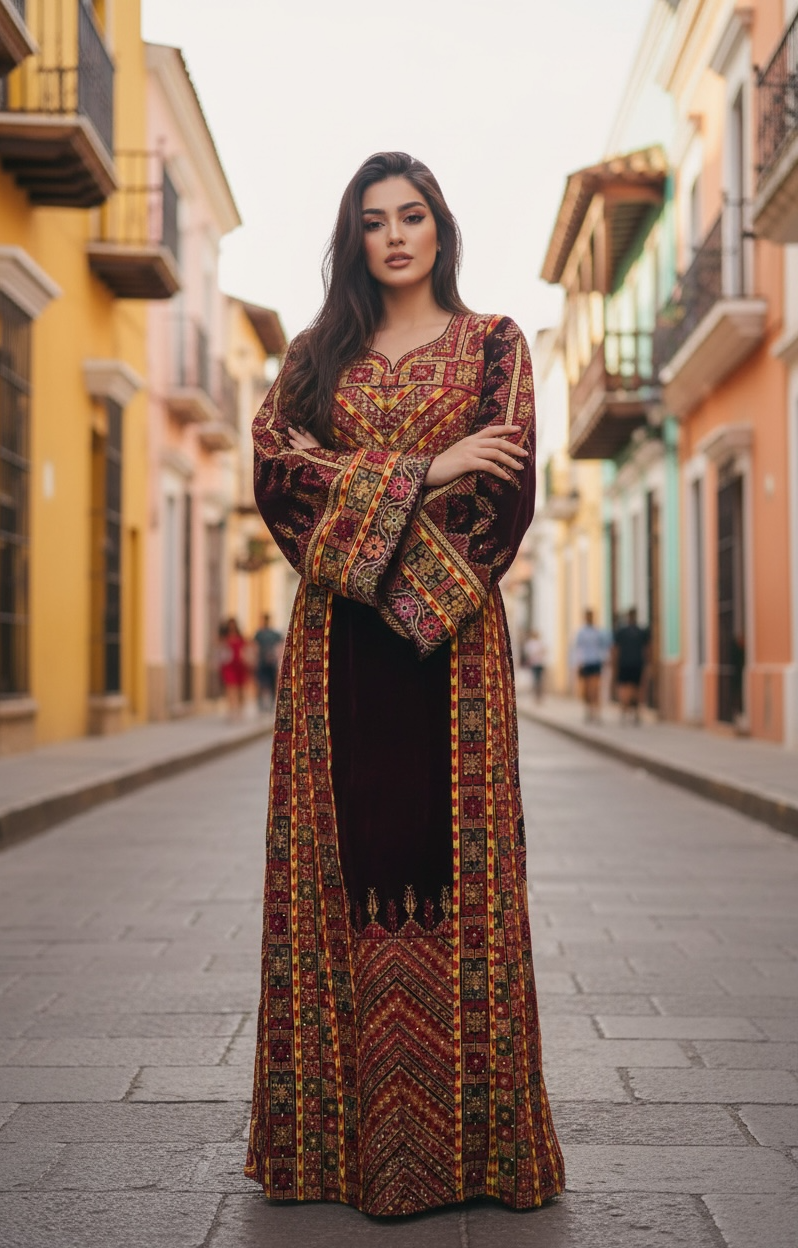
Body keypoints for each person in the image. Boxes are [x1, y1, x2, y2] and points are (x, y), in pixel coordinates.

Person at [245, 151, 564, 1218]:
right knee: (349, 865)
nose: (394, 235)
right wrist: (428, 468)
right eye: (374, 219)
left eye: (412, 216)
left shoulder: (495, 346)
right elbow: (276, 473)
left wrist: (366, 513)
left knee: (448, 866)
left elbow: (504, 490)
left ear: (440, 229)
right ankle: (334, 1154)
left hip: (451, 650)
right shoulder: (311, 358)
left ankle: (473, 1157)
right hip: (335, 653)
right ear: (354, 237)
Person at [571, 608, 611, 724]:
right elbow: (577, 649)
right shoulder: (581, 632)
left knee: (596, 688)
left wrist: (605, 659)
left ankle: (597, 712)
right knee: (586, 689)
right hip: (585, 663)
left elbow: (603, 647)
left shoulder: (598, 632)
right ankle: (588, 710)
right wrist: (577, 663)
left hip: (596, 662)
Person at [612, 607, 650, 725]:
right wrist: (647, 663)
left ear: (628, 617)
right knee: (636, 689)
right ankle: (635, 713)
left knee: (625, 689)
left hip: (625, 663)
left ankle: (625, 712)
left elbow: (616, 650)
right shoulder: (641, 632)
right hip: (637, 663)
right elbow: (646, 650)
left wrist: (614, 664)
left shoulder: (621, 632)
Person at [218, 617, 249, 720]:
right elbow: (219, 650)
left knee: (240, 689)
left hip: (240, 665)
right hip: (228, 666)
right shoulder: (224, 638)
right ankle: (231, 710)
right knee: (230, 688)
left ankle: (239, 709)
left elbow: (246, 649)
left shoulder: (241, 637)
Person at [253, 613, 283, 711]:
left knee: (268, 683)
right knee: (264, 683)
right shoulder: (260, 634)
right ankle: (263, 703)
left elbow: (280, 645)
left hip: (269, 661)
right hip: (264, 661)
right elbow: (255, 647)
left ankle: (267, 703)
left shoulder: (269, 634)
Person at [523, 629, 548, 703]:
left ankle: (539, 696)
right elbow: (528, 653)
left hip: (540, 663)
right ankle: (536, 696)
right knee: (536, 680)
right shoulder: (531, 643)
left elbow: (544, 651)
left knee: (540, 680)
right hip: (534, 663)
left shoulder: (540, 643)